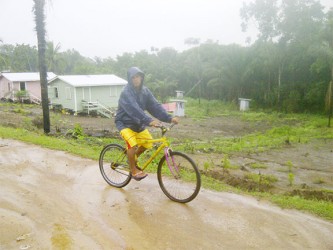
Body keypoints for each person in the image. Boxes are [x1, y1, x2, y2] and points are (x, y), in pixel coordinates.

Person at [115, 67, 179, 181]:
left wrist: (169, 118)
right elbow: (134, 110)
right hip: (124, 123)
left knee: (147, 144)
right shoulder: (126, 92)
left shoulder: (145, 91)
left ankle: (132, 159)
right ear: (130, 79)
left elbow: (155, 106)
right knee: (132, 144)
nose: (136, 79)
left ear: (142, 77)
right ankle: (133, 170)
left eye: (138, 77)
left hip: (138, 124)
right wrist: (149, 120)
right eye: (133, 77)